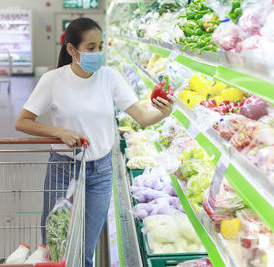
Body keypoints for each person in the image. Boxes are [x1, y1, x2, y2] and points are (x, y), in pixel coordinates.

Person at [15, 17, 174, 267]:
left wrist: (163, 112)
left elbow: (142, 117)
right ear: (72, 50)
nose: (97, 53)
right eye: (91, 47)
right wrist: (59, 132)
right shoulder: (53, 80)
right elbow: (23, 122)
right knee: (56, 247)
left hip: (100, 171)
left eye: (100, 46)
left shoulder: (110, 77)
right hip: (63, 170)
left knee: (87, 249)